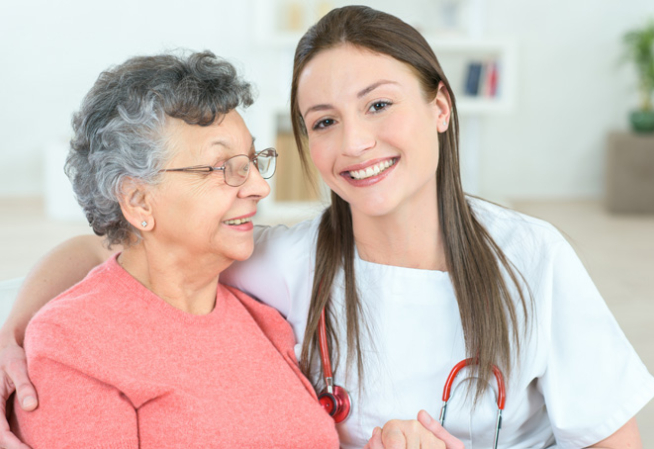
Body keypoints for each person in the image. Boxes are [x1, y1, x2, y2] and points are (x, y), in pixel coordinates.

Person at [0, 6, 652, 449]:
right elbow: (117, 252)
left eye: (379, 104)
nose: (357, 142)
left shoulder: (528, 256)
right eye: (323, 121)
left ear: (441, 108)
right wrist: (16, 329)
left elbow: (611, 434)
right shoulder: (285, 263)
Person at [5, 50, 341, 448]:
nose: (258, 187)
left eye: (252, 161)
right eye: (222, 168)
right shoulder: (71, 348)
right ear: (138, 201)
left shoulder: (262, 320)